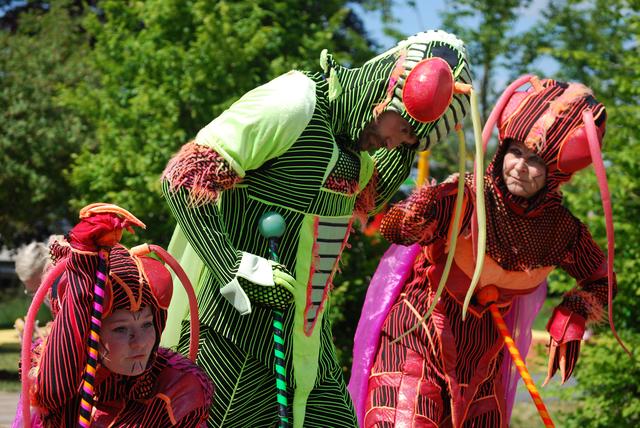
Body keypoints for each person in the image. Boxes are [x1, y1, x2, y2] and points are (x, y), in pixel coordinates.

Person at [161, 30, 473, 427]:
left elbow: (369, 200)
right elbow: (185, 177)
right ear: (386, 86)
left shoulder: (358, 150)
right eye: (405, 128)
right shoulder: (295, 104)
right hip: (227, 335)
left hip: (309, 347)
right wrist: (234, 268)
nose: (397, 143)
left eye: (412, 141)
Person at [354, 77, 616, 427]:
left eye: (536, 160)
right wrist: (421, 209)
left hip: (483, 361)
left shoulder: (562, 231)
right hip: (415, 341)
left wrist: (574, 313)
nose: (520, 167)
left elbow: (602, 280)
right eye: (516, 153)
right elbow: (394, 229)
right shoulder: (465, 196)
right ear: (503, 150)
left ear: (555, 173)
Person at [17, 204, 213, 427]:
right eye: (121, 329)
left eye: (147, 325)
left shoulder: (177, 388)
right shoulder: (51, 365)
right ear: (88, 334)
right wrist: (83, 270)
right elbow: (52, 391)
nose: (140, 343)